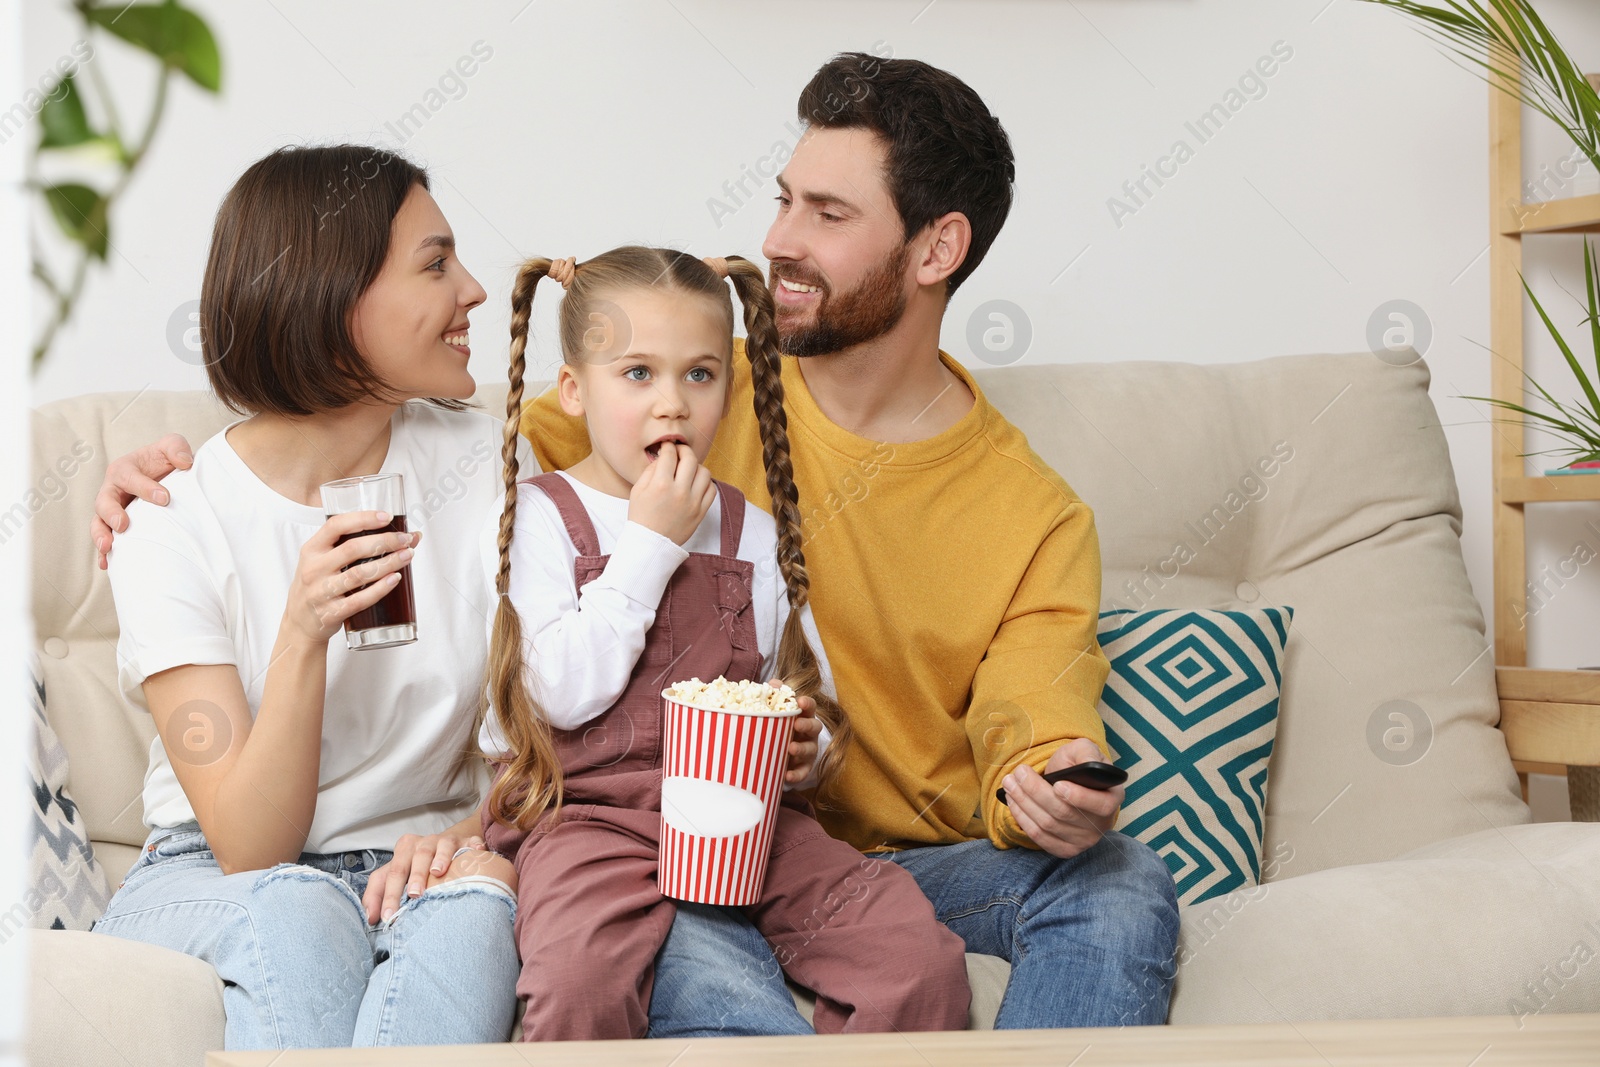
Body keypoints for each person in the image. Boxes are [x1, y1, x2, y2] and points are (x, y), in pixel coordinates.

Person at [94, 53, 1181, 1032]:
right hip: (640, 826)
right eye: (783, 200)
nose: (780, 239)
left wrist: (1045, 770)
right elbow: (338, 414)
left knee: (1120, 880)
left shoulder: (1030, 510)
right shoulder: (639, 409)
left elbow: (1035, 703)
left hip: (838, 842)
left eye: (828, 213)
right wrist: (164, 480)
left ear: (937, 246)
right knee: (691, 967)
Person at [91, 144, 524, 1050]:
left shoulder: (489, 465)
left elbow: (552, 732)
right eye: (436, 263)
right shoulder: (172, 520)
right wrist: (303, 630)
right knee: (298, 911)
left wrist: (470, 837)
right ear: (336, 298)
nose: (474, 289)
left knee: (480, 908)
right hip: (221, 871)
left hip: (420, 860)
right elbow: (252, 844)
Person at [477, 246, 970, 1041]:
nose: (671, 404)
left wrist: (810, 747)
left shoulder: (753, 533)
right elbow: (556, 695)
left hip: (743, 818)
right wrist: (649, 543)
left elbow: (810, 696)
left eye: (699, 375)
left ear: (730, 391)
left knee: (912, 956)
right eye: (637, 373)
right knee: (577, 979)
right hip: (586, 819)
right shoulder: (536, 516)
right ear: (573, 391)